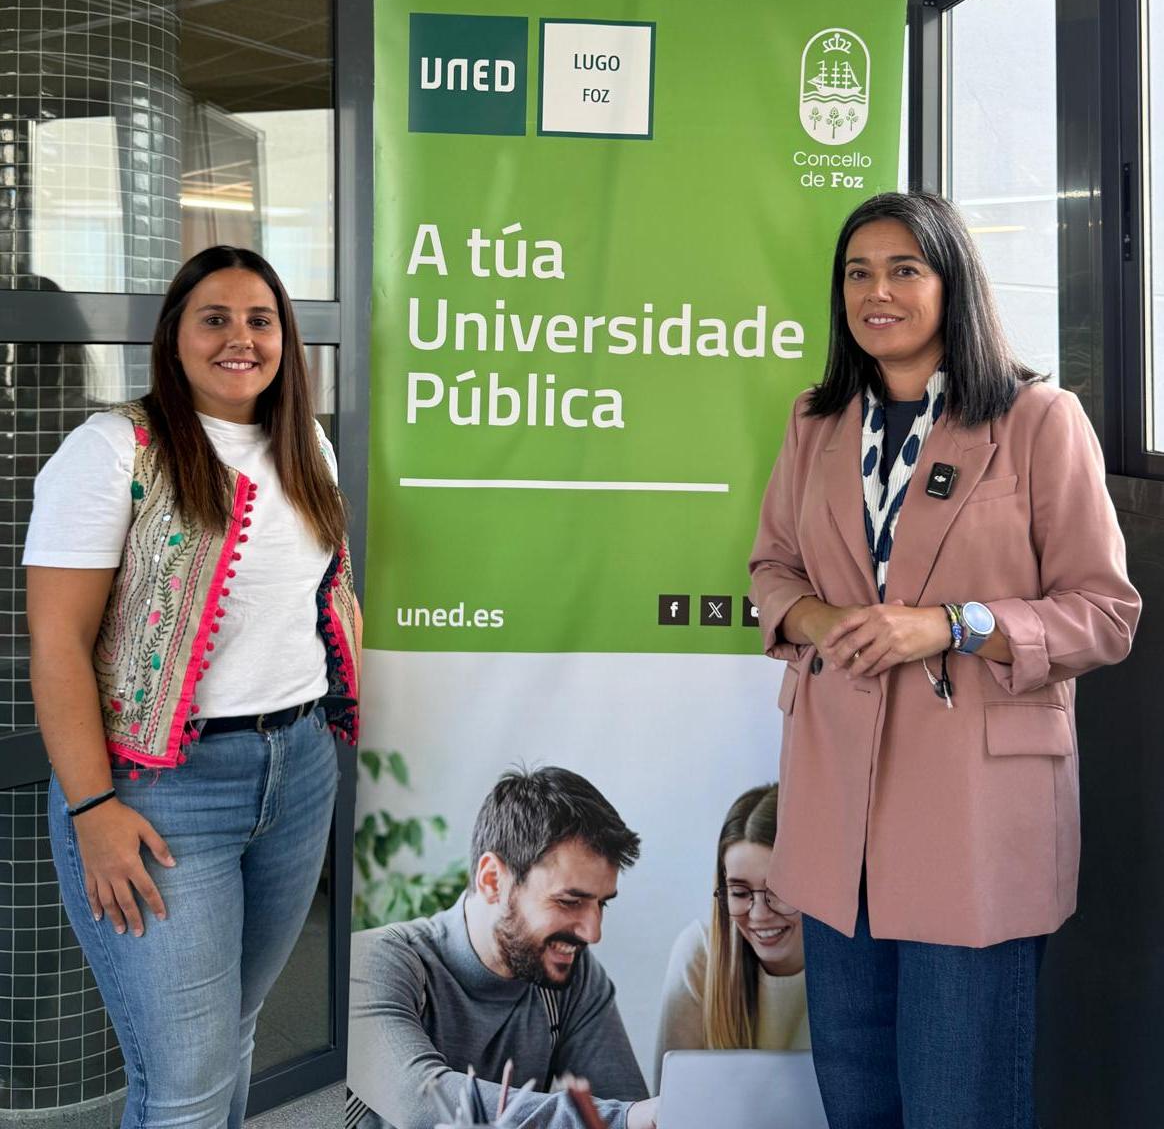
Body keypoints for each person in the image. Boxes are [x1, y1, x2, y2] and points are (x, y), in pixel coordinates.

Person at [748, 191, 1140, 1128]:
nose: (876, 292)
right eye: (858, 273)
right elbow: (771, 569)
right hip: (837, 822)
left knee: (959, 1103)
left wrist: (952, 624)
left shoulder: (1040, 420)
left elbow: (1104, 613)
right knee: (856, 1102)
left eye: (903, 270)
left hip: (973, 821)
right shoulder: (816, 421)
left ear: (951, 283)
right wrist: (817, 617)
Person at [24, 245, 360, 1129]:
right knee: (183, 1086)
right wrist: (93, 807)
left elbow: (318, 601)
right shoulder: (113, 450)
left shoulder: (306, 446)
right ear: (174, 335)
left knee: (234, 1036)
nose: (240, 338)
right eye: (215, 318)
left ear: (285, 339)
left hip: (296, 771)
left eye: (260, 320)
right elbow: (57, 644)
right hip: (159, 792)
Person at [347, 765, 659, 1129]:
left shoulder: (572, 977)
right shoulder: (375, 962)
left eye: (601, 903)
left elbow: (634, 1114)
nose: (592, 933)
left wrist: (631, 1116)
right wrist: (624, 1117)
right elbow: (420, 1101)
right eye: (569, 901)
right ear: (493, 880)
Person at [654, 784, 807, 1090]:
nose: (759, 914)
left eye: (779, 890)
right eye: (739, 892)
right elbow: (672, 1103)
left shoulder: (861, 963)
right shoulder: (700, 953)